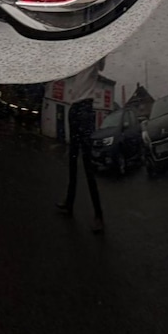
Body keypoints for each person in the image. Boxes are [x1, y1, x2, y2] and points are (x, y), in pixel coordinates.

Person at [56, 62, 105, 233]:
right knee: (72, 159)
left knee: (88, 163)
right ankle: (69, 204)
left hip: (85, 109)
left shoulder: (96, 56)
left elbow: (102, 61)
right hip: (74, 109)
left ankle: (98, 215)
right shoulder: (79, 60)